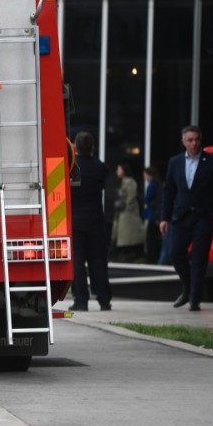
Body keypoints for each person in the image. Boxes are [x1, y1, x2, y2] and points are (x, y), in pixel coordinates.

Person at [160, 125, 213, 311]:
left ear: (200, 141)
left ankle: (194, 299)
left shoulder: (212, 162)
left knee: (199, 259)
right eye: (190, 140)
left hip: (204, 217)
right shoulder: (175, 162)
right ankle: (187, 287)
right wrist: (164, 217)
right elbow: (169, 191)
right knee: (175, 253)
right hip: (181, 216)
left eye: (197, 140)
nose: (194, 143)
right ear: (183, 142)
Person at [69, 132, 112, 311]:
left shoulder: (71, 167)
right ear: (92, 147)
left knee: (78, 261)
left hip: (75, 221)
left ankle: (81, 300)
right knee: (98, 260)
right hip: (95, 220)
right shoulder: (101, 167)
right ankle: (104, 300)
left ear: (75, 147)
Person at [111, 162, 145, 262]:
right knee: (123, 238)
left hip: (128, 216)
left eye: (119, 169)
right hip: (123, 215)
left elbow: (130, 198)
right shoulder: (125, 182)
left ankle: (126, 257)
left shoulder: (129, 182)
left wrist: (122, 204)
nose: (117, 171)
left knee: (127, 239)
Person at [142, 166, 162, 263]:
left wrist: (141, 198)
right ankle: (153, 256)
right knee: (153, 238)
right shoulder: (157, 184)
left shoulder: (152, 185)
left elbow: (146, 199)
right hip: (154, 214)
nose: (144, 177)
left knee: (150, 238)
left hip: (152, 215)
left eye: (145, 175)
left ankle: (150, 258)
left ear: (150, 175)